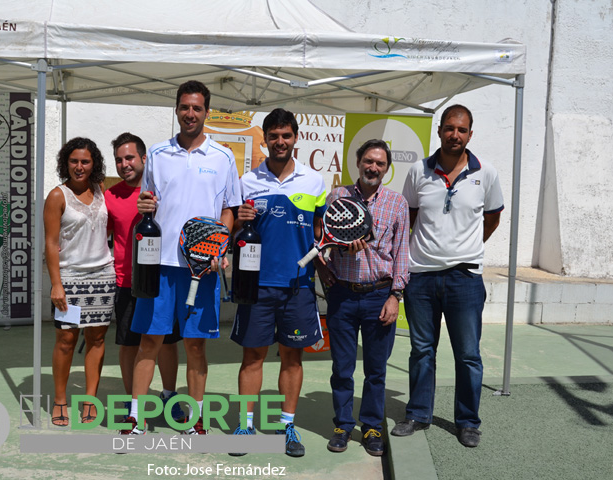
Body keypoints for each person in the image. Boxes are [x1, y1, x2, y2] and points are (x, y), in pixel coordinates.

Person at [123, 80, 241, 435]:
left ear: (206, 112)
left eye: (197, 108)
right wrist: (145, 206)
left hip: (201, 270)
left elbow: (228, 210)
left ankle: (196, 417)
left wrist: (219, 246)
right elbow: (148, 203)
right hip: (160, 267)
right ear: (176, 110)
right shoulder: (157, 154)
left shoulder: (223, 158)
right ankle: (136, 416)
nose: (190, 114)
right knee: (149, 341)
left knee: (195, 345)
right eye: (185, 107)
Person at [393, 104, 503, 448]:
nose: (455, 135)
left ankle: (468, 421)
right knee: (421, 350)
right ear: (439, 130)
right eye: (449, 128)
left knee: (468, 354)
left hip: (464, 279)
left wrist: (466, 249)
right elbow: (407, 217)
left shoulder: (486, 173)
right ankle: (418, 413)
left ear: (470, 134)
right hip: (421, 277)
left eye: (462, 130)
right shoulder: (417, 171)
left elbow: (492, 218)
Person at [230, 108, 326, 457]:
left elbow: (319, 232)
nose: (280, 142)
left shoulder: (314, 181)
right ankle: (245, 426)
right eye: (274, 136)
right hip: (255, 286)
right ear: (265, 139)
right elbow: (236, 236)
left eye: (286, 135)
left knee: (292, 358)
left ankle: (287, 426)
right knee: (252, 357)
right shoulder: (247, 182)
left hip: (299, 284)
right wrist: (239, 223)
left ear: (295, 137)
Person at [315, 139, 409, 456]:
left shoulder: (397, 204)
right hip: (342, 294)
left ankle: (370, 427)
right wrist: (324, 265)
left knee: (375, 370)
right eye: (368, 161)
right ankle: (342, 425)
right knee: (342, 368)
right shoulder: (337, 196)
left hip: (379, 295)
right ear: (358, 161)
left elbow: (401, 254)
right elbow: (321, 240)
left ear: (387, 168)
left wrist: (395, 295)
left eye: (380, 164)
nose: (373, 168)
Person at [104, 132, 183, 421]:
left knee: (167, 342)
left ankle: (169, 395)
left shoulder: (162, 190)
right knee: (128, 344)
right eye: (118, 160)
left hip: (163, 279)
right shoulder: (110, 196)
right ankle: (131, 401)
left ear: (144, 159)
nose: (124, 164)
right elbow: (102, 236)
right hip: (126, 281)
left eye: (129, 158)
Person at [43, 137, 115, 427]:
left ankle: (90, 399)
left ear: (93, 163)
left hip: (102, 278)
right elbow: (50, 244)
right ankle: (60, 400)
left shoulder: (102, 191)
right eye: (74, 161)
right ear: (66, 163)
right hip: (70, 279)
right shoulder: (57, 196)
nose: (79, 166)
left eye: (85, 161)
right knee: (66, 340)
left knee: (96, 339)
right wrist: (56, 284)